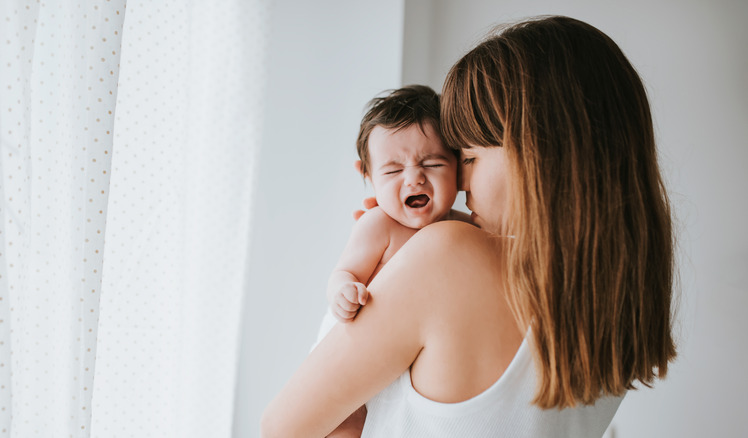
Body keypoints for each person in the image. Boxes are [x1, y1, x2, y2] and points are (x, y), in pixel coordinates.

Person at [262, 15, 676, 437]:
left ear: (540, 155)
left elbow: (281, 428)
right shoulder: (627, 294)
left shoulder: (449, 255)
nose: (458, 183)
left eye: (471, 158)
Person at [326, 85, 468, 326]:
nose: (414, 179)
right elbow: (344, 272)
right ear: (369, 178)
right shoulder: (379, 225)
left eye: (433, 164)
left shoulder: (466, 228)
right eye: (394, 170)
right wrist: (343, 292)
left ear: (459, 166)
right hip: (369, 338)